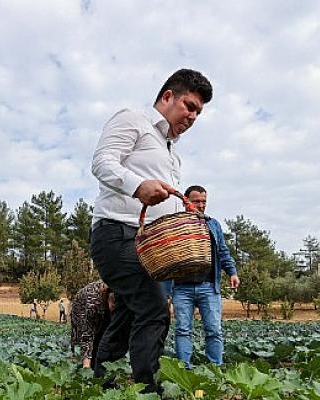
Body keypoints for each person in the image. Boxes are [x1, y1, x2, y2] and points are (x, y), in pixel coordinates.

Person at [89, 68, 213, 394]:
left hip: (151, 245)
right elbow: (102, 162)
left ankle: (103, 384)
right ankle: (147, 389)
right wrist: (137, 185)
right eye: (189, 105)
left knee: (129, 313)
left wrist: (182, 211)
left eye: (198, 112)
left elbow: (162, 198)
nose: (193, 116)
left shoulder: (172, 154)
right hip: (117, 233)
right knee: (156, 309)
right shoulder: (133, 120)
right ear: (168, 96)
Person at [171, 185, 240, 368]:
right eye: (196, 201)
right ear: (185, 201)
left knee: (214, 330)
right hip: (181, 287)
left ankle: (215, 370)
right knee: (183, 330)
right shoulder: (175, 225)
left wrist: (232, 272)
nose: (201, 205)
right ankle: (184, 370)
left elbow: (223, 252)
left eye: (204, 202)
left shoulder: (213, 224)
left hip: (209, 286)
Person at [69, 281, 114, 368]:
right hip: (81, 308)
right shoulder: (92, 303)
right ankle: (89, 365)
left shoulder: (124, 292)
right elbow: (87, 334)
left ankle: (103, 365)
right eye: (114, 302)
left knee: (106, 337)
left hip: (103, 306)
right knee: (94, 340)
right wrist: (86, 367)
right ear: (109, 295)